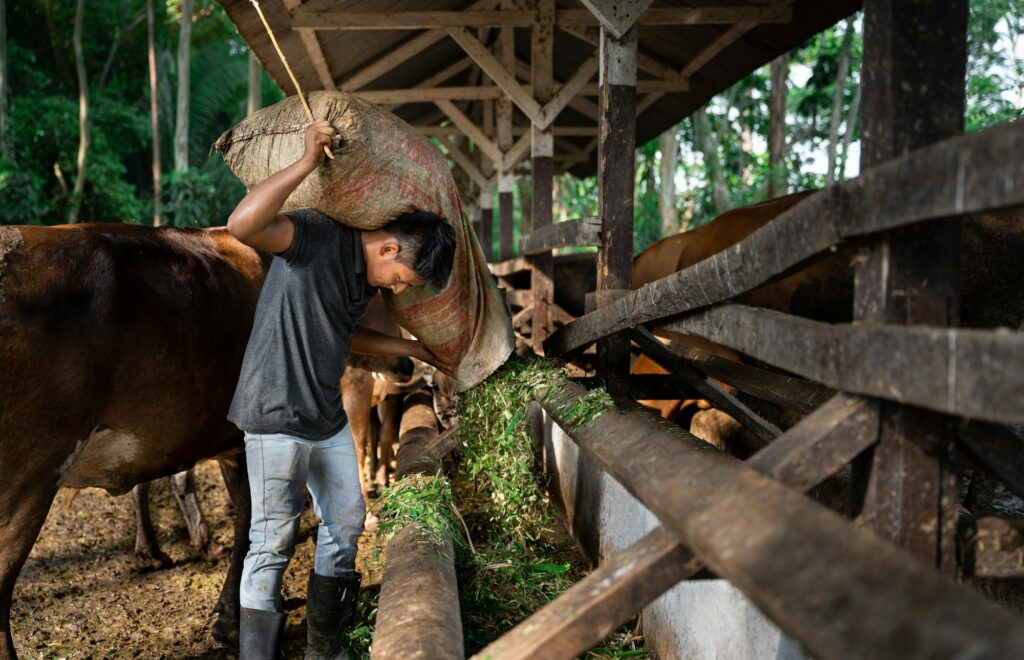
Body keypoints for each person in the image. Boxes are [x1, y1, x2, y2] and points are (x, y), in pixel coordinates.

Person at [225, 119, 456, 659]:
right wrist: (306, 162)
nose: (397, 289)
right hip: (275, 414)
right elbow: (242, 225)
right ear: (391, 247)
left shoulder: (359, 278)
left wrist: (414, 350)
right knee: (272, 543)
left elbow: (345, 332)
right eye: (402, 278)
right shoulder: (315, 238)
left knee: (348, 521)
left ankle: (326, 647)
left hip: (324, 415)